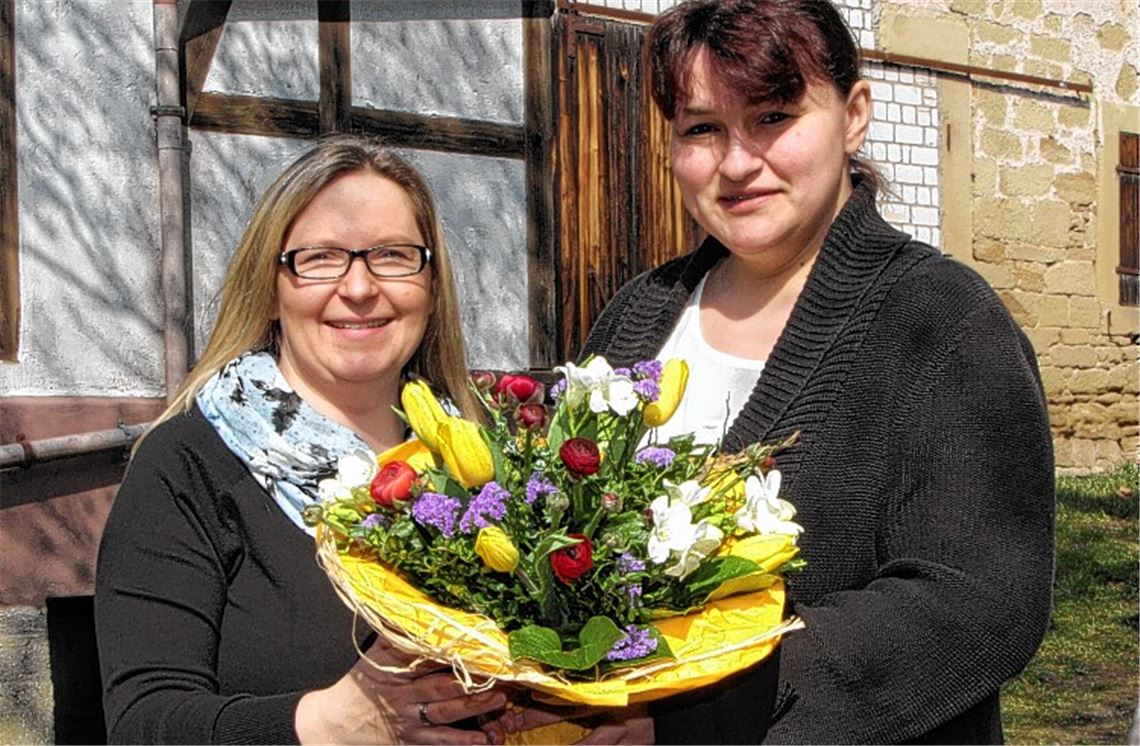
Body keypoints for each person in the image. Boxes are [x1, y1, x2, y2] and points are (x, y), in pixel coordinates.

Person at [572, 0, 1055, 742]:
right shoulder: (638, 317)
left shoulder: (942, 323)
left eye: (772, 117)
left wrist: (692, 714)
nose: (736, 163)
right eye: (702, 128)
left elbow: (978, 602)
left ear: (854, 114)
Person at [94, 134, 510, 744]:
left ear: (432, 285)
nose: (361, 287)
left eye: (393, 256)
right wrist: (331, 724)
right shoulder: (187, 466)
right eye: (318, 258)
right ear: (269, 289)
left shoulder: (490, 468)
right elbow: (142, 725)